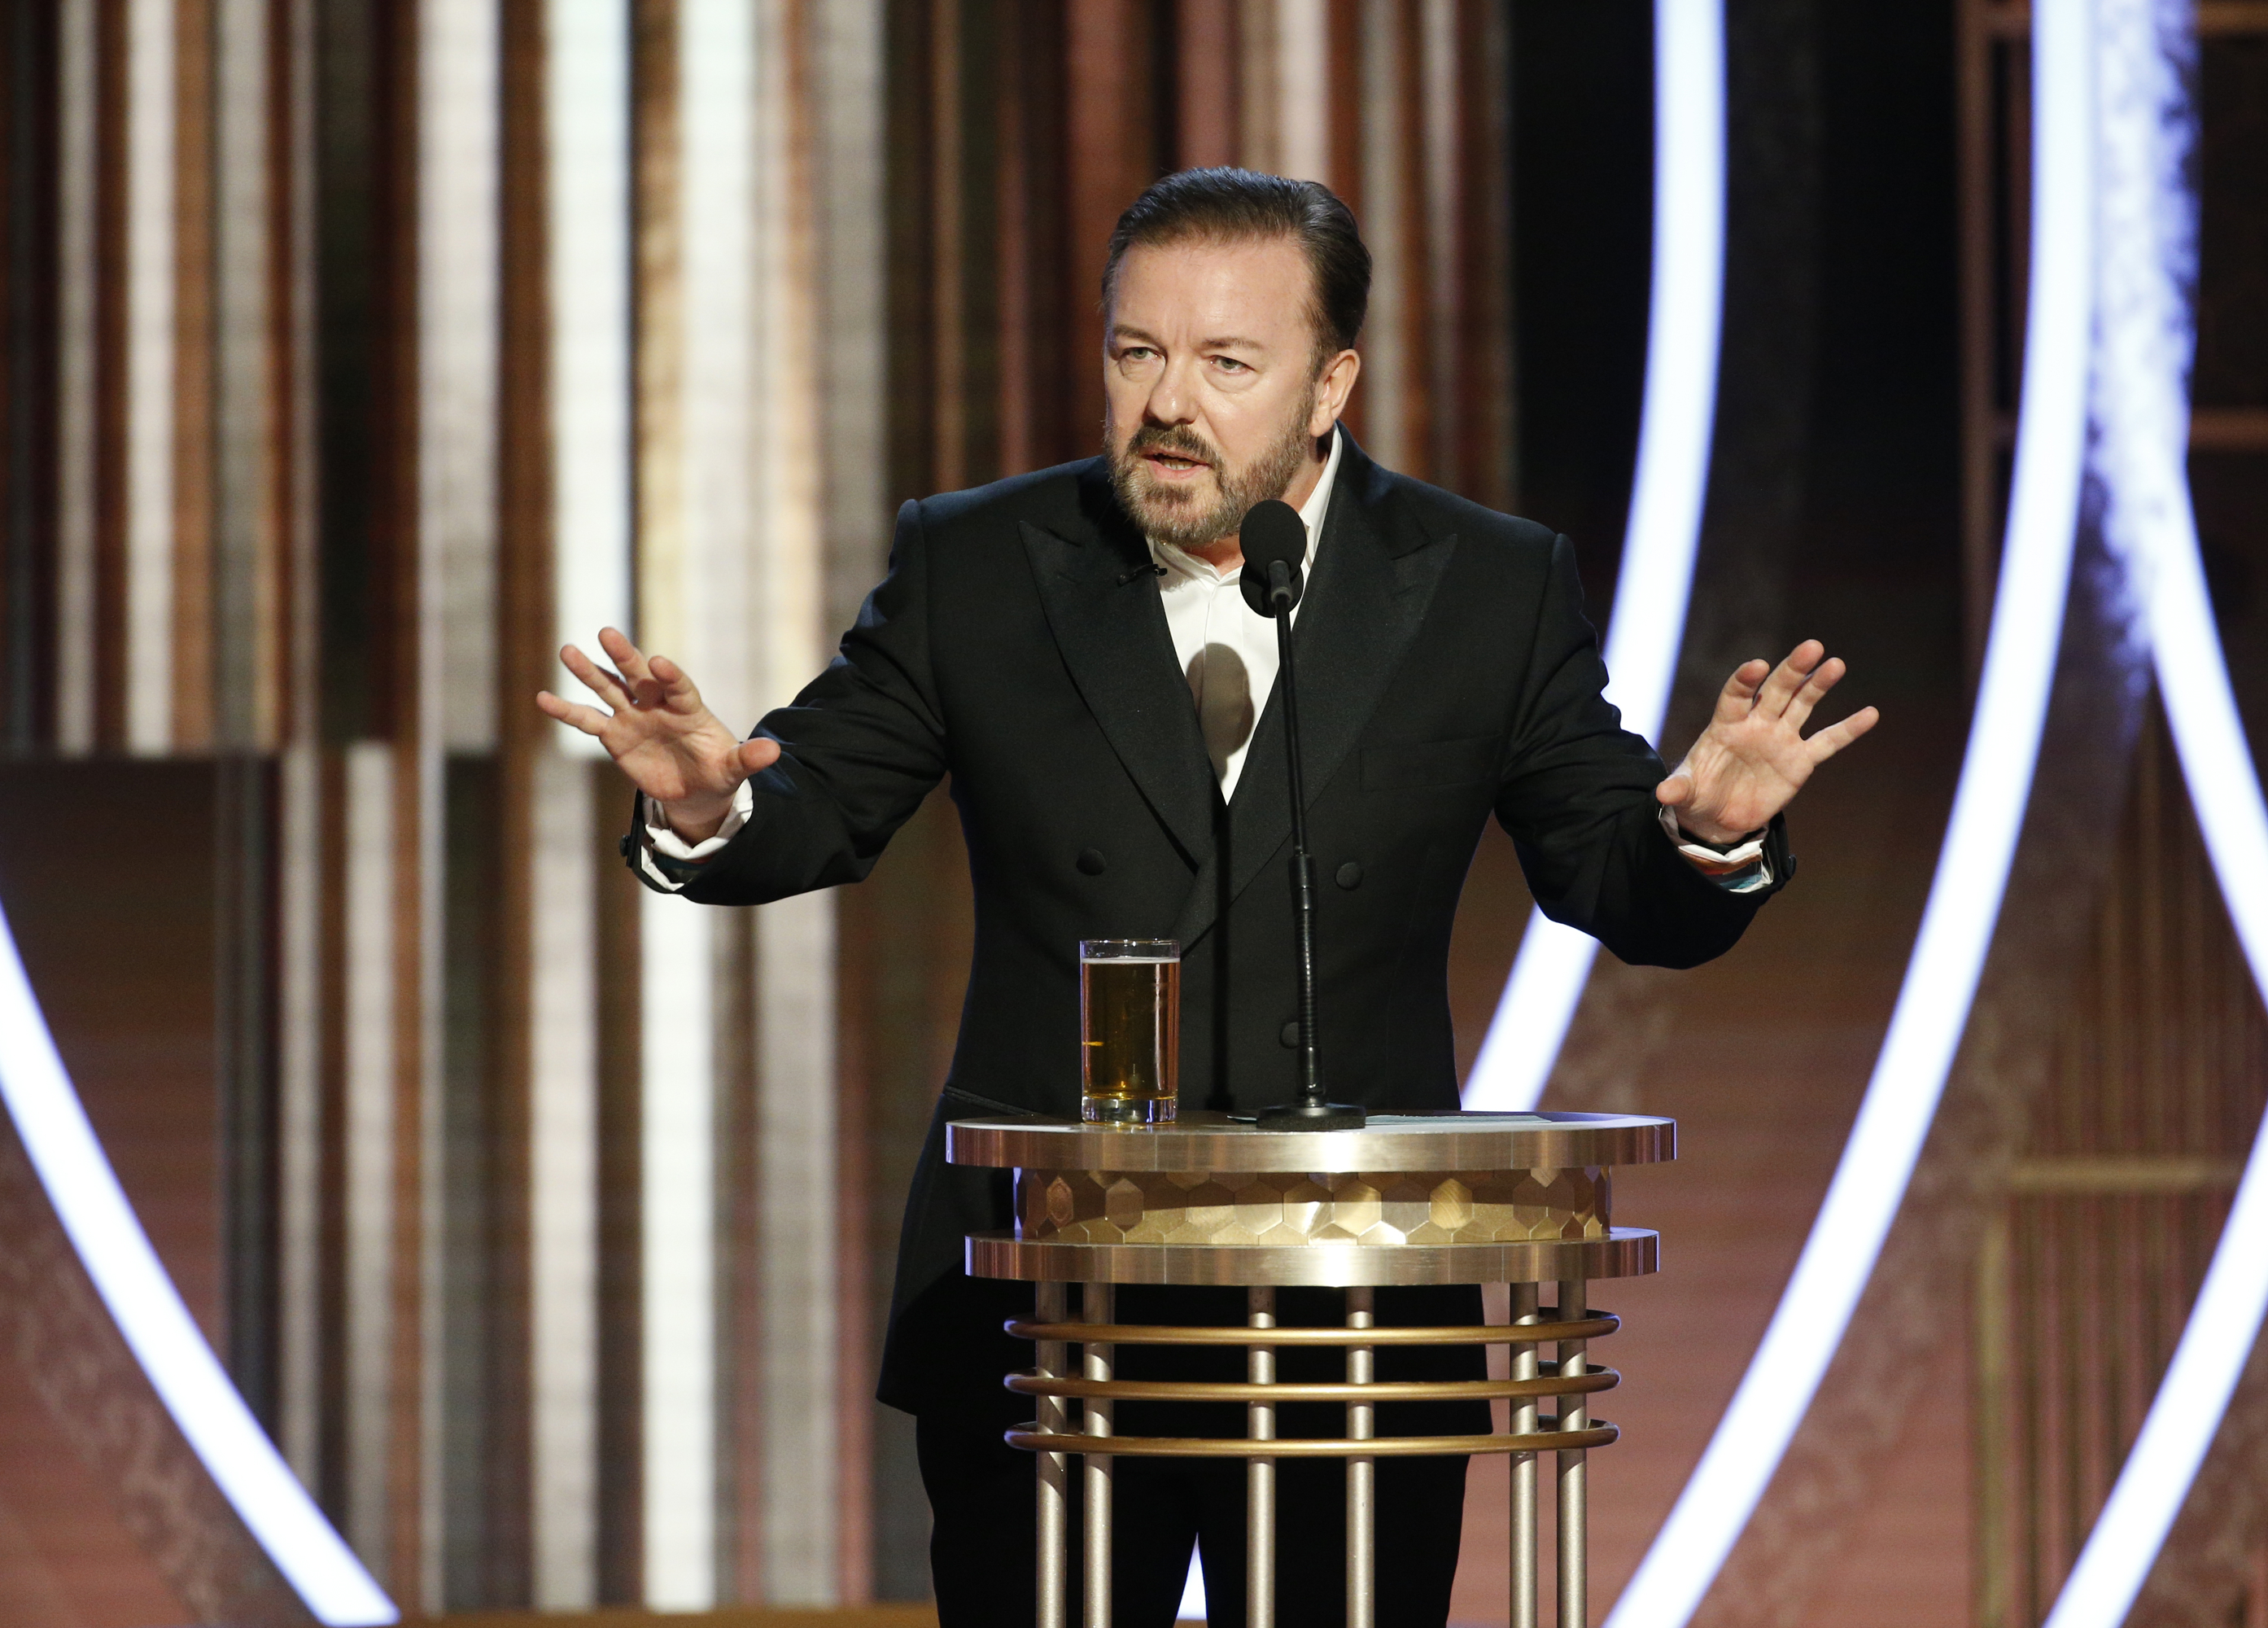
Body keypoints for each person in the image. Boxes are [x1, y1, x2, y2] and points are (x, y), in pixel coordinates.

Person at [538, 168, 1877, 1626]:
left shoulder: (1484, 585)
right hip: (1043, 1298)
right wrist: (706, 800)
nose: (1169, 402)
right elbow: (818, 807)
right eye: (1137, 353)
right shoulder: (983, 561)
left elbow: (1610, 875)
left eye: (1228, 363)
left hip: (1356, 1311)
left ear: (1329, 382)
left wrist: (1710, 836)